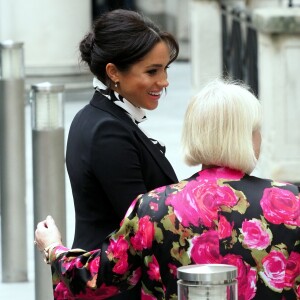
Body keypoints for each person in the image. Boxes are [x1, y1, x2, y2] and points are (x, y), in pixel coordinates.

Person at [35, 79, 300, 299]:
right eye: (256, 130)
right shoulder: (291, 202)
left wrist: (54, 248)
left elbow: (96, 279)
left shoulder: (154, 206)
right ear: (246, 137)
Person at [65, 8, 178, 300]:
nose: (164, 81)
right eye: (152, 71)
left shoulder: (98, 117)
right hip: (117, 288)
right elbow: (142, 226)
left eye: (166, 69)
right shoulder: (107, 131)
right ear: (113, 72)